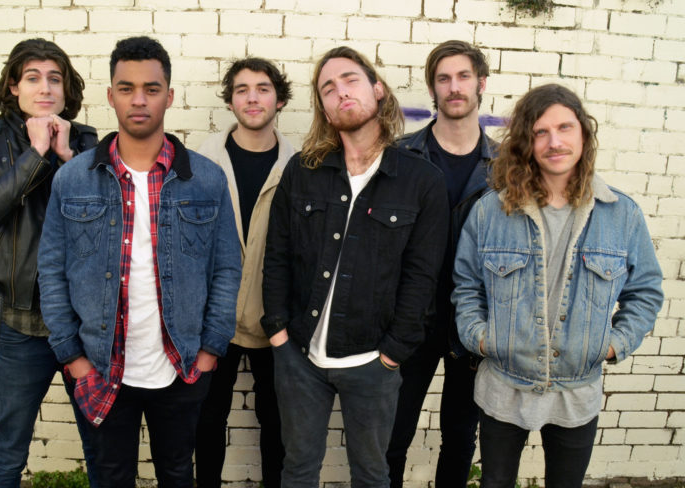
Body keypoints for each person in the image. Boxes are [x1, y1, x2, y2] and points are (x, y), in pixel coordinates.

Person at [37, 36, 241, 488]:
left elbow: (227, 268)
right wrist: (73, 357)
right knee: (111, 477)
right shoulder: (73, 179)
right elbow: (51, 271)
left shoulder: (206, 179)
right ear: (111, 96)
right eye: (127, 88)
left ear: (169, 96)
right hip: (100, 364)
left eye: (151, 89)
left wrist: (210, 350)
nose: (139, 100)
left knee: (176, 473)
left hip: (181, 365)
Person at [452, 84, 664, 487]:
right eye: (540, 132)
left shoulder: (622, 215)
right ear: (526, 143)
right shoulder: (491, 211)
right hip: (504, 386)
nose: (554, 142)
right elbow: (466, 284)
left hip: (576, 391)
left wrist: (612, 344)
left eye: (565, 128)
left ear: (583, 133)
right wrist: (481, 337)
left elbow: (646, 291)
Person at [261, 46, 449, 488]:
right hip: (300, 356)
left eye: (350, 80)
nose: (341, 92)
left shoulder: (422, 181)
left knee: (371, 474)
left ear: (377, 89)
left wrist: (392, 353)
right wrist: (278, 334)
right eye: (328, 88)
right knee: (297, 469)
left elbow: (422, 277)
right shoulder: (302, 171)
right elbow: (277, 256)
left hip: (372, 362)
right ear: (323, 107)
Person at [0, 38, 98, 488]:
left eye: (55, 78)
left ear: (66, 88)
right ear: (14, 86)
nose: (45, 88)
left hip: (84, 323)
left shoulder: (87, 142)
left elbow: (108, 219)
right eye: (33, 78)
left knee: (102, 445)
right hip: (20, 324)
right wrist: (35, 155)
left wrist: (68, 158)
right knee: (10, 446)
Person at [388, 40, 496, 488]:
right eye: (444, 78)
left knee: (460, 437)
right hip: (409, 319)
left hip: (473, 322)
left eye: (463, 76)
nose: (454, 87)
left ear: (481, 83)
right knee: (392, 435)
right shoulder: (401, 156)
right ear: (432, 88)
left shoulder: (506, 168)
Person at [195, 57, 294, 488]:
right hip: (212, 319)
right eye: (242, 89)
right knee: (206, 421)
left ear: (279, 99)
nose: (252, 98)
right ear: (230, 100)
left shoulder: (298, 165)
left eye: (262, 88)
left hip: (275, 321)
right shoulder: (202, 159)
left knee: (277, 424)